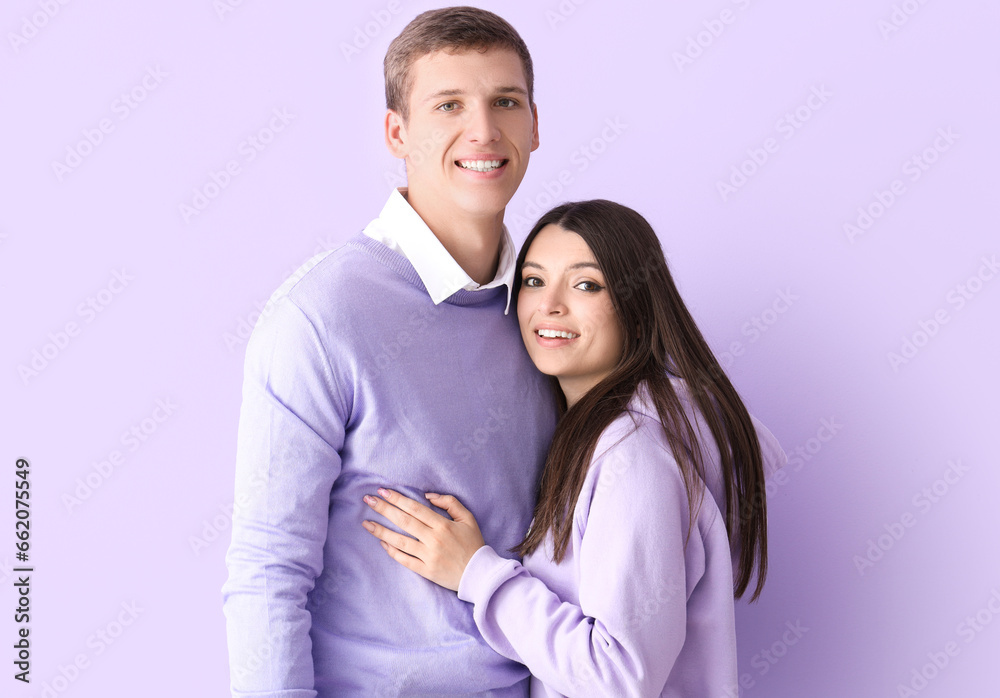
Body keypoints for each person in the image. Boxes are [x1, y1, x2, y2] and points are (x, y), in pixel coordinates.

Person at [221, 8, 558, 697]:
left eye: (505, 102)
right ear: (396, 132)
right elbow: (266, 574)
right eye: (449, 105)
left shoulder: (549, 316)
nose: (484, 131)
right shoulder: (321, 317)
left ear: (534, 125)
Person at [361, 200, 788, 697]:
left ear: (636, 303)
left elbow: (619, 678)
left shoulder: (634, 458)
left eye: (586, 284)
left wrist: (477, 574)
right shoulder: (594, 436)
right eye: (534, 281)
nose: (550, 305)